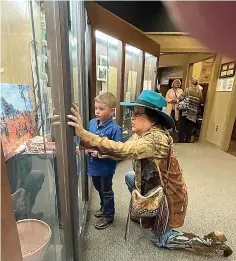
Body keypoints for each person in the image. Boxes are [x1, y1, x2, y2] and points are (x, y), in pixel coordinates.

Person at [67, 90, 232, 257]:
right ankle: (145, 213)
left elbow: (122, 149)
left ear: (153, 119)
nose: (132, 117)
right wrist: (95, 147)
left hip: (168, 195)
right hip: (154, 185)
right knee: (130, 177)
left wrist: (83, 134)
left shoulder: (155, 139)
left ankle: (209, 241)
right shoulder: (142, 134)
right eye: (133, 112)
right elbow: (121, 151)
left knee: (161, 240)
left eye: (138, 113)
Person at [84, 92, 123, 229]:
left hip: (106, 168)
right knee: (98, 188)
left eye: (101, 109)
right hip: (93, 166)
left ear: (112, 111)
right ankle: (103, 207)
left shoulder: (115, 130)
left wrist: (100, 154)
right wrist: (86, 148)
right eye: (96, 108)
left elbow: (118, 153)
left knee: (106, 190)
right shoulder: (91, 123)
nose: (97, 112)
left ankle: (109, 215)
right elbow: (87, 139)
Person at [178, 78, 203, 143]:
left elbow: (181, 98)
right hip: (194, 112)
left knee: (182, 126)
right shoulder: (199, 92)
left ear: (191, 83)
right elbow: (200, 101)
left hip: (186, 110)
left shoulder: (188, 90)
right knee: (190, 127)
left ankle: (181, 140)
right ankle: (188, 140)